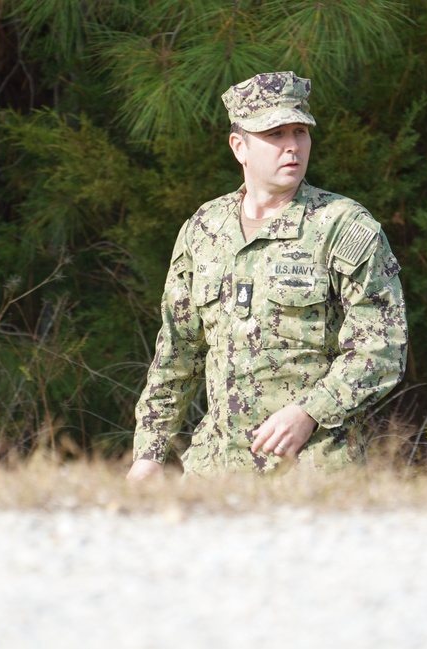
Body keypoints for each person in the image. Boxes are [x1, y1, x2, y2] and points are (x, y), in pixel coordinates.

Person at [126, 71, 408, 480]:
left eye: (300, 131)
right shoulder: (204, 228)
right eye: (275, 134)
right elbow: (177, 352)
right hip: (214, 472)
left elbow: (382, 347)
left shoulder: (342, 226)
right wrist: (149, 454)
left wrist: (310, 411)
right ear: (239, 146)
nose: (292, 146)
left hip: (313, 471)